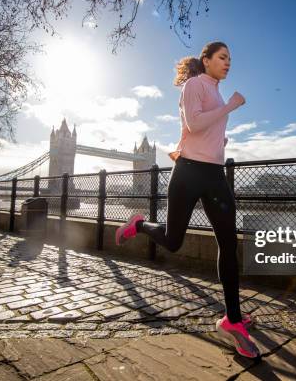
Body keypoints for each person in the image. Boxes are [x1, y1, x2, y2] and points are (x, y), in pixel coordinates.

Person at [115, 41, 260, 358]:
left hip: (215, 176)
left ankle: (232, 319)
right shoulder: (195, 85)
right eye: (222, 58)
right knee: (173, 240)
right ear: (206, 60)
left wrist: (220, 137)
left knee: (228, 242)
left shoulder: (218, 92)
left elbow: (205, 130)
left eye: (231, 59)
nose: (228, 63)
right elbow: (194, 123)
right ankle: (140, 224)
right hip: (189, 173)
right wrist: (231, 106)